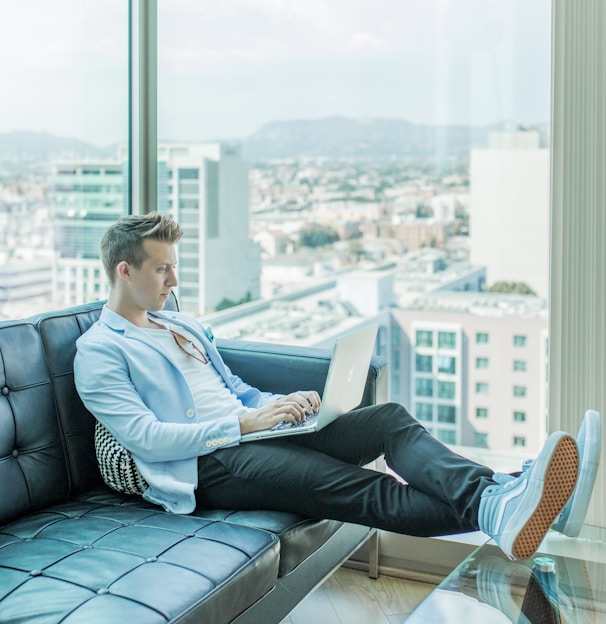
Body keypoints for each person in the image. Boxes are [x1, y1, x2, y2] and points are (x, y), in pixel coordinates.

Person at [74, 212, 594, 562]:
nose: (173, 280)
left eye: (173, 267)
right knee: (362, 488)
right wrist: (242, 423)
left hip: (254, 433)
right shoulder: (99, 351)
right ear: (125, 270)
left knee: (387, 420)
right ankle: (509, 501)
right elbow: (146, 438)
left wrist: (277, 406)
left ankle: (511, 500)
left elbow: (231, 385)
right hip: (207, 465)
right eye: (162, 269)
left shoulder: (179, 324)